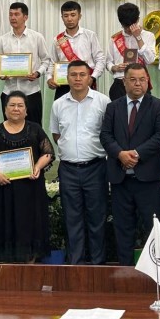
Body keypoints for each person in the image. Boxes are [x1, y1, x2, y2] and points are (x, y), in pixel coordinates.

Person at [100, 63, 160, 265]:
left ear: (147, 81)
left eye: (142, 79)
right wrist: (120, 154)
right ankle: (126, 271)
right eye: (133, 79)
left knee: (154, 229)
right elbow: (105, 135)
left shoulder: (158, 106)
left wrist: (137, 154)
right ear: (124, 82)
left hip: (149, 179)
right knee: (123, 228)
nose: (138, 84)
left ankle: (155, 272)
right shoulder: (113, 107)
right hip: (120, 179)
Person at [0, 91, 54, 262]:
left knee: (31, 223)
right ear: (5, 109)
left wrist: (37, 166)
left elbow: (48, 153)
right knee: (5, 222)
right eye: (12, 105)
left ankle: (30, 262)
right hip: (4, 188)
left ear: (26, 110)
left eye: (20, 106)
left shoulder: (35, 129)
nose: (16, 109)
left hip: (31, 188)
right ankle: (7, 264)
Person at [50, 60, 110, 264]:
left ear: (89, 78)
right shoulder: (58, 104)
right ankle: (75, 264)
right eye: (73, 75)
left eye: (82, 75)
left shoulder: (103, 101)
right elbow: (56, 134)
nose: (77, 79)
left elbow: (109, 133)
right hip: (68, 169)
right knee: (71, 218)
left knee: (97, 217)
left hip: (96, 167)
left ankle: (98, 263)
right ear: (67, 78)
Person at [0, 2, 50, 125]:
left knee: (34, 129)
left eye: (16, 14)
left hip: (31, 92)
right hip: (8, 92)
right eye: (10, 14)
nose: (12, 17)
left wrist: (37, 73)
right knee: (10, 129)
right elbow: (0, 63)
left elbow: (46, 60)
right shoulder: (3, 39)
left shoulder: (37, 37)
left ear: (25, 17)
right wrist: (1, 74)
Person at [47, 1, 106, 101]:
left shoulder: (90, 35)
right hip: (63, 84)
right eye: (66, 16)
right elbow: (52, 63)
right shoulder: (58, 39)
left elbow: (100, 59)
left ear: (79, 16)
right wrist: (49, 78)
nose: (69, 19)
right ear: (62, 18)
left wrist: (93, 77)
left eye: (73, 15)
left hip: (86, 82)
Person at [106, 2, 156, 101]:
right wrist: (115, 67)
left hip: (140, 83)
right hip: (120, 83)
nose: (129, 29)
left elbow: (150, 60)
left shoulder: (148, 36)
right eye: (126, 26)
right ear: (121, 23)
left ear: (137, 19)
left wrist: (138, 37)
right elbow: (108, 62)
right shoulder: (114, 39)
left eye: (132, 25)